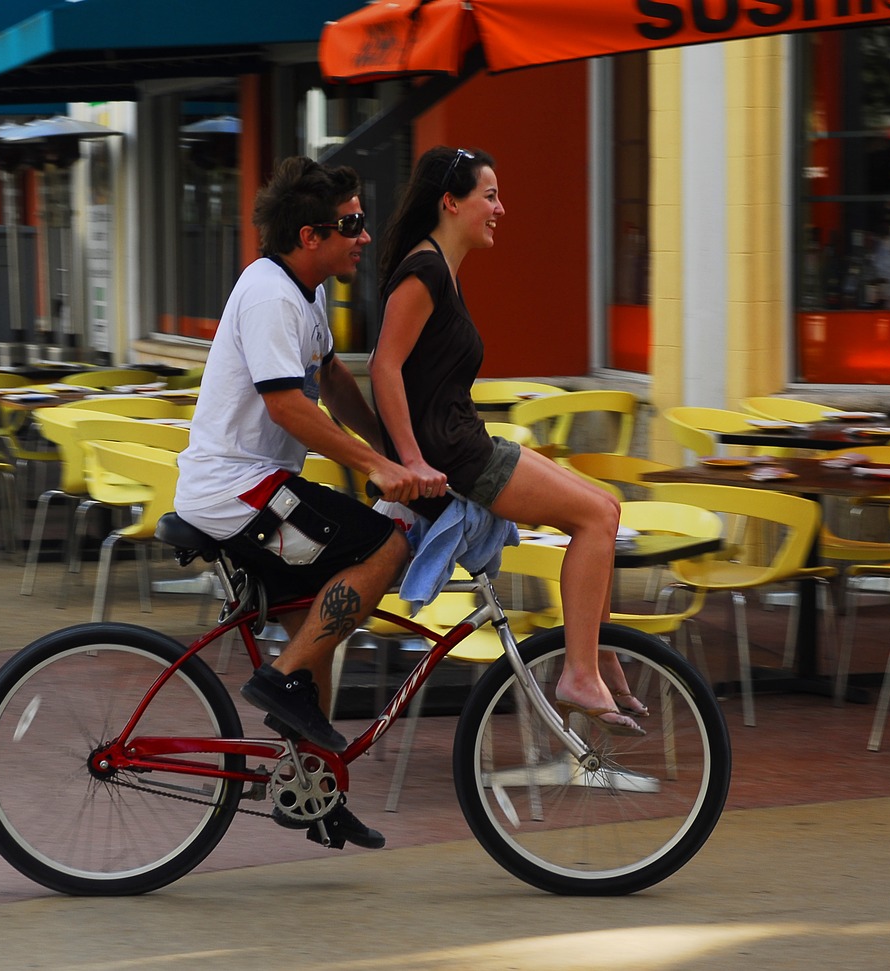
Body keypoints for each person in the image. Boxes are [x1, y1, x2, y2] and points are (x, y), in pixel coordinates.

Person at [175, 156, 422, 849]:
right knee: (384, 543)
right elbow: (286, 404)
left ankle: (315, 788)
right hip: (237, 490)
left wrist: (395, 451)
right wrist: (377, 466)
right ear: (311, 236)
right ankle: (280, 683)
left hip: (255, 486)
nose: (365, 236)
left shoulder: (305, 293)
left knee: (323, 619)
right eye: (352, 224)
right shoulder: (270, 296)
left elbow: (333, 378)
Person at [370, 145, 644, 736]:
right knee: (597, 519)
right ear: (452, 201)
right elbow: (383, 367)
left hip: (464, 445)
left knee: (607, 508)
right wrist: (410, 460)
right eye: (489, 196)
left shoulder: (439, 269)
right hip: (455, 456)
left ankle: (594, 655)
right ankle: (577, 672)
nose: (501, 208)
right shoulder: (425, 271)